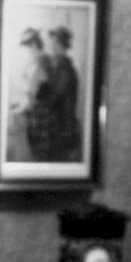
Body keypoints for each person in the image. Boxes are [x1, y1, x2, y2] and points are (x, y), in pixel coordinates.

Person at [8, 27, 57, 162]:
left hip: (41, 116)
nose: (26, 52)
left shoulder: (41, 63)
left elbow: (31, 95)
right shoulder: (38, 62)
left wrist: (18, 109)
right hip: (39, 114)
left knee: (37, 154)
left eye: (27, 47)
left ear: (34, 45)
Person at [46, 25, 83, 161]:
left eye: (55, 43)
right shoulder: (62, 68)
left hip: (62, 132)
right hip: (61, 130)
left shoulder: (64, 70)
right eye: (52, 42)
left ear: (62, 45)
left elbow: (53, 98)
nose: (52, 46)